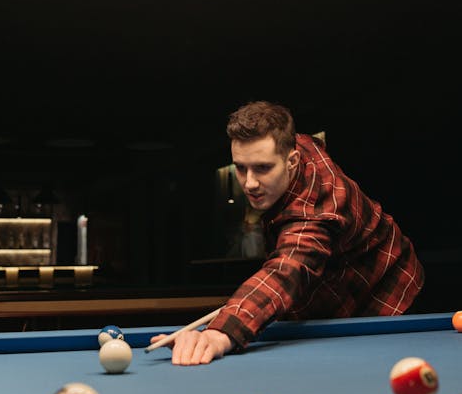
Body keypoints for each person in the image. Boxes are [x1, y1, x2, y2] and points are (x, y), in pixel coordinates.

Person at [150, 100, 424, 366]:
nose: (249, 183)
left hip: (383, 288)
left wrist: (220, 333)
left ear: (292, 161)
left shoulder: (315, 209)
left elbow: (286, 269)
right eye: (241, 168)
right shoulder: (292, 144)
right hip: (331, 281)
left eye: (263, 168)